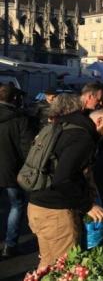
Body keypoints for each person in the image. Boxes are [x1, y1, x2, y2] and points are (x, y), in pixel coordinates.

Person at [27, 94, 103, 269]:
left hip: (37, 206)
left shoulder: (57, 128)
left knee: (48, 266)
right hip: (56, 212)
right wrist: (87, 205)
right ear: (100, 121)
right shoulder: (81, 136)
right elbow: (63, 178)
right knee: (65, 268)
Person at [0, 84, 33, 259]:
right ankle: (10, 245)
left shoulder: (19, 118)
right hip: (12, 170)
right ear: (14, 98)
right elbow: (27, 148)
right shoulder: (20, 119)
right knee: (16, 205)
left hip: (9, 168)